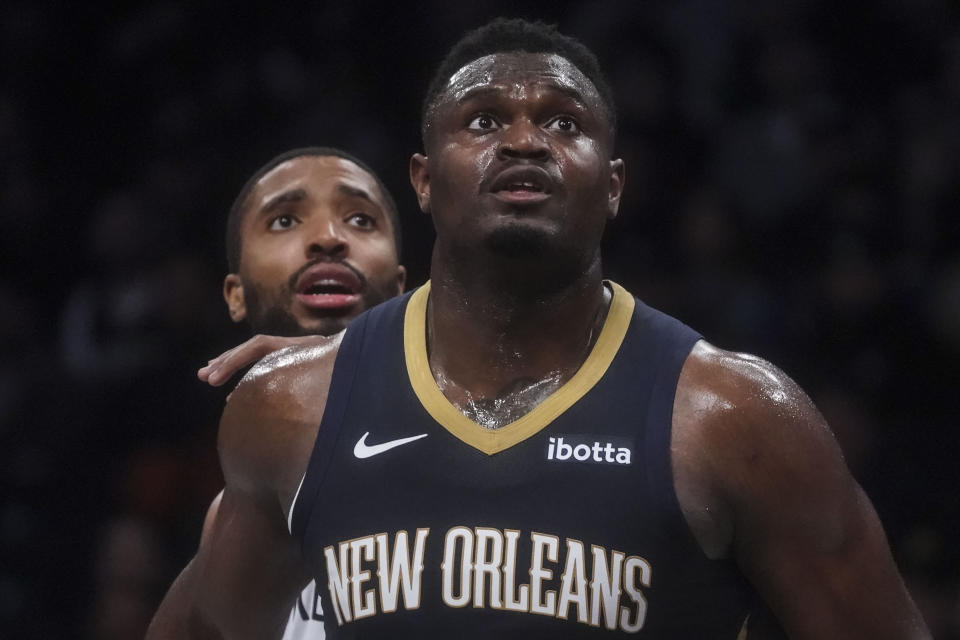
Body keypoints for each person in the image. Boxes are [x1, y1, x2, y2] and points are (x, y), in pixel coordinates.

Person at [149, 18, 931, 639]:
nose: (524, 141)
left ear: (615, 183)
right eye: (484, 119)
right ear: (423, 178)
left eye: (563, 123)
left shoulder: (737, 420)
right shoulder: (290, 410)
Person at [146, 147, 406, 639]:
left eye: (359, 219)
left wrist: (343, 370)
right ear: (235, 293)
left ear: (401, 287)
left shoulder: (473, 437)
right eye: (285, 220)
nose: (328, 239)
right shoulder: (233, 515)